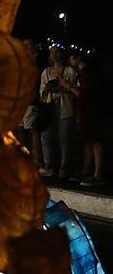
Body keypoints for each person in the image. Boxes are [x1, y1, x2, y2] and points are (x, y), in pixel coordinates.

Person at [37, 45, 78, 179]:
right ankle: (48, 164)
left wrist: (63, 88)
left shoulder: (69, 70)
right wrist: (48, 89)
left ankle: (64, 165)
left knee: (64, 137)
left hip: (65, 105)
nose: (54, 54)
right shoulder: (47, 71)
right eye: (51, 52)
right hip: (50, 106)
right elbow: (42, 93)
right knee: (46, 135)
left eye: (56, 52)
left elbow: (75, 90)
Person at [69, 50, 104, 187]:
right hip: (84, 111)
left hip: (89, 112)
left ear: (78, 58)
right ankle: (85, 171)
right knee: (88, 141)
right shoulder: (83, 73)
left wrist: (69, 87)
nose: (70, 61)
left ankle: (97, 174)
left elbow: (84, 94)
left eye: (72, 58)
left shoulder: (87, 73)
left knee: (94, 141)